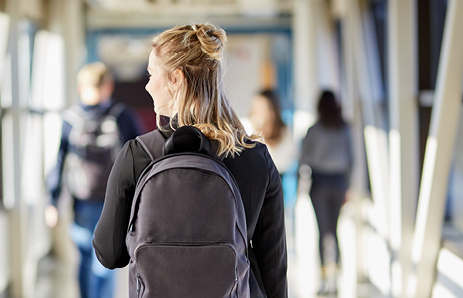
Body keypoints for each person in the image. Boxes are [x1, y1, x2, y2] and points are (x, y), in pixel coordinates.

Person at [92, 23, 288, 298]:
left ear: (176, 78)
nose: (147, 86)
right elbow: (273, 267)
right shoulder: (254, 157)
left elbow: (108, 254)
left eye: (151, 75)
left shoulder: (138, 154)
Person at [46, 62, 143, 298]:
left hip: (81, 200)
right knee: (106, 259)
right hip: (115, 200)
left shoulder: (70, 119)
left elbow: (59, 161)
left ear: (81, 87)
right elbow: (141, 157)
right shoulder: (123, 116)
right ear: (108, 86)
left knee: (84, 257)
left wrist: (53, 200)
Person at [299, 90, 354, 295]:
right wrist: (347, 186)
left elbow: (305, 159)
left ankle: (324, 279)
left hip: (320, 182)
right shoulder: (344, 129)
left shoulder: (314, 130)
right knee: (335, 230)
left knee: (323, 232)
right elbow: (352, 160)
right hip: (338, 182)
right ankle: (335, 280)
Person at [248, 89, 297, 174]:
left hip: (278, 175)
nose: (258, 112)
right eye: (256, 107)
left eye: (262, 108)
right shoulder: (248, 127)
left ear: (272, 109)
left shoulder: (284, 131)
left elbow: (289, 159)